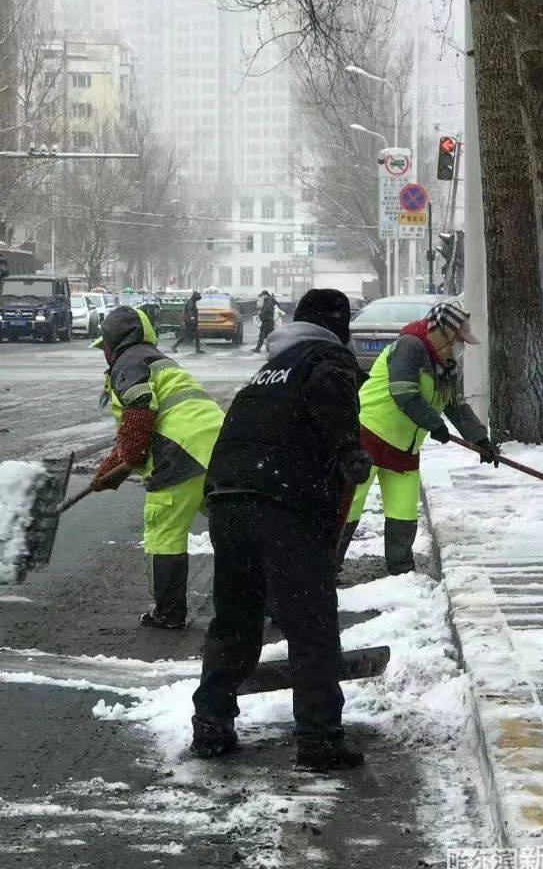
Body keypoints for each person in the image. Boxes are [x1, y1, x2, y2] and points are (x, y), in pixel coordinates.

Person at [190, 288, 372, 770]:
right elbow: (331, 396)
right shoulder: (327, 358)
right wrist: (347, 452)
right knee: (309, 621)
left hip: (228, 500)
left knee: (236, 618)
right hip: (283, 501)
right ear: (339, 326)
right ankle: (319, 739)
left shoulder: (270, 368)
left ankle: (211, 724)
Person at [339, 300, 498, 576]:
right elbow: (404, 393)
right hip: (368, 437)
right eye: (459, 340)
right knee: (348, 505)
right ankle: (326, 567)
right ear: (443, 333)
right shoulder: (409, 347)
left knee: (403, 512)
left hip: (405, 448)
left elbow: (456, 405)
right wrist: (434, 424)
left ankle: (401, 572)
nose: (461, 348)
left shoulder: (446, 365)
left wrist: (479, 439)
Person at [92, 306, 225, 628]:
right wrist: (109, 469)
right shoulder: (156, 360)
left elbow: (139, 410)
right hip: (219, 446)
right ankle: (259, 599)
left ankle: (168, 613)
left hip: (180, 452)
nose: (104, 354)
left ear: (113, 342)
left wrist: (131, 458)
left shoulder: (129, 362)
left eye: (104, 346)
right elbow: (136, 431)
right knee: (232, 530)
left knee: (165, 531)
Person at [254, 289, 279, 353]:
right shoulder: (270, 300)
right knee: (271, 336)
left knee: (262, 335)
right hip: (270, 320)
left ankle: (258, 349)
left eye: (262, 295)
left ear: (265, 295)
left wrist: (260, 314)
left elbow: (266, 309)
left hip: (267, 320)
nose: (262, 297)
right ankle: (273, 349)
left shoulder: (268, 300)